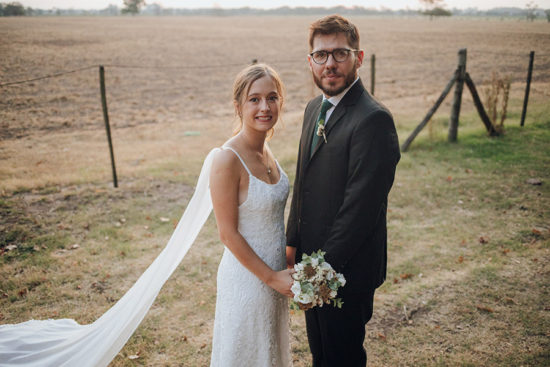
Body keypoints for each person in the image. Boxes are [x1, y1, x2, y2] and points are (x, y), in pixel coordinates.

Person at [286, 15, 401, 366]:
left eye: (340, 53)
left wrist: (317, 276)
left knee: (342, 357)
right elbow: (303, 181)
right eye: (321, 55)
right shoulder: (312, 109)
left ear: (359, 57)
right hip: (310, 261)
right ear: (311, 61)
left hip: (346, 268)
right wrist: (292, 243)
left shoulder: (373, 120)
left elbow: (360, 211)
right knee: (321, 354)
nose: (330, 64)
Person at [209, 63, 294, 367]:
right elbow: (227, 234)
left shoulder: (267, 150)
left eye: (272, 97)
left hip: (276, 276)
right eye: (254, 99)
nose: (265, 106)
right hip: (248, 280)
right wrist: (270, 277)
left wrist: (285, 265)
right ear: (238, 106)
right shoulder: (227, 159)